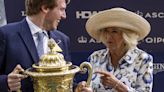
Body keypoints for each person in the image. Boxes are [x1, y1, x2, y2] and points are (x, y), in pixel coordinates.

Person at [76, 7, 153, 92]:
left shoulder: (142, 59)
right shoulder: (96, 57)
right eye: (106, 31)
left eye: (114, 32)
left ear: (126, 35)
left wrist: (118, 85)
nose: (108, 36)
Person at [0, 0, 71, 92]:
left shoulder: (62, 40)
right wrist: (6, 83)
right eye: (61, 9)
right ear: (45, 8)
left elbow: (65, 81)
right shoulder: (5, 35)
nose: (64, 16)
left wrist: (78, 88)